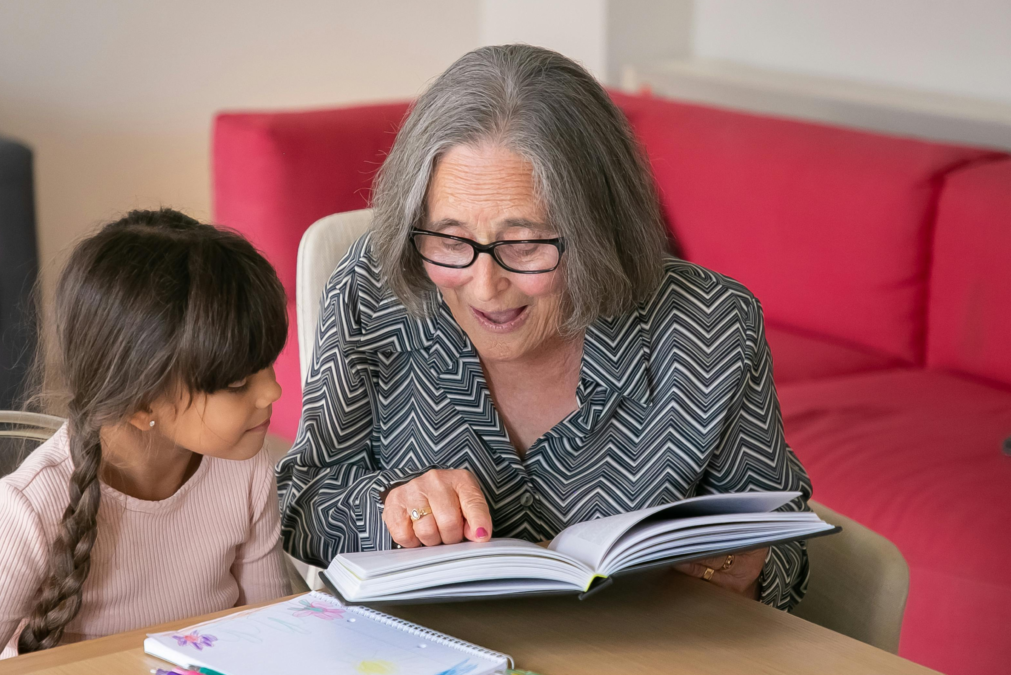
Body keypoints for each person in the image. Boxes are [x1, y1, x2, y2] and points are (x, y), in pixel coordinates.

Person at [277, 44, 814, 611]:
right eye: (451, 240)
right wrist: (388, 505)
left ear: (598, 231)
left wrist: (745, 566)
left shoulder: (711, 325)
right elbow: (303, 499)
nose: (484, 287)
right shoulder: (376, 287)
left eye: (526, 244)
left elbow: (781, 532)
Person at [0, 210, 291, 671]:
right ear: (141, 405)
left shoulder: (245, 466)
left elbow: (272, 632)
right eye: (239, 382)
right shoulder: (34, 502)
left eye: (268, 363)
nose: (272, 391)